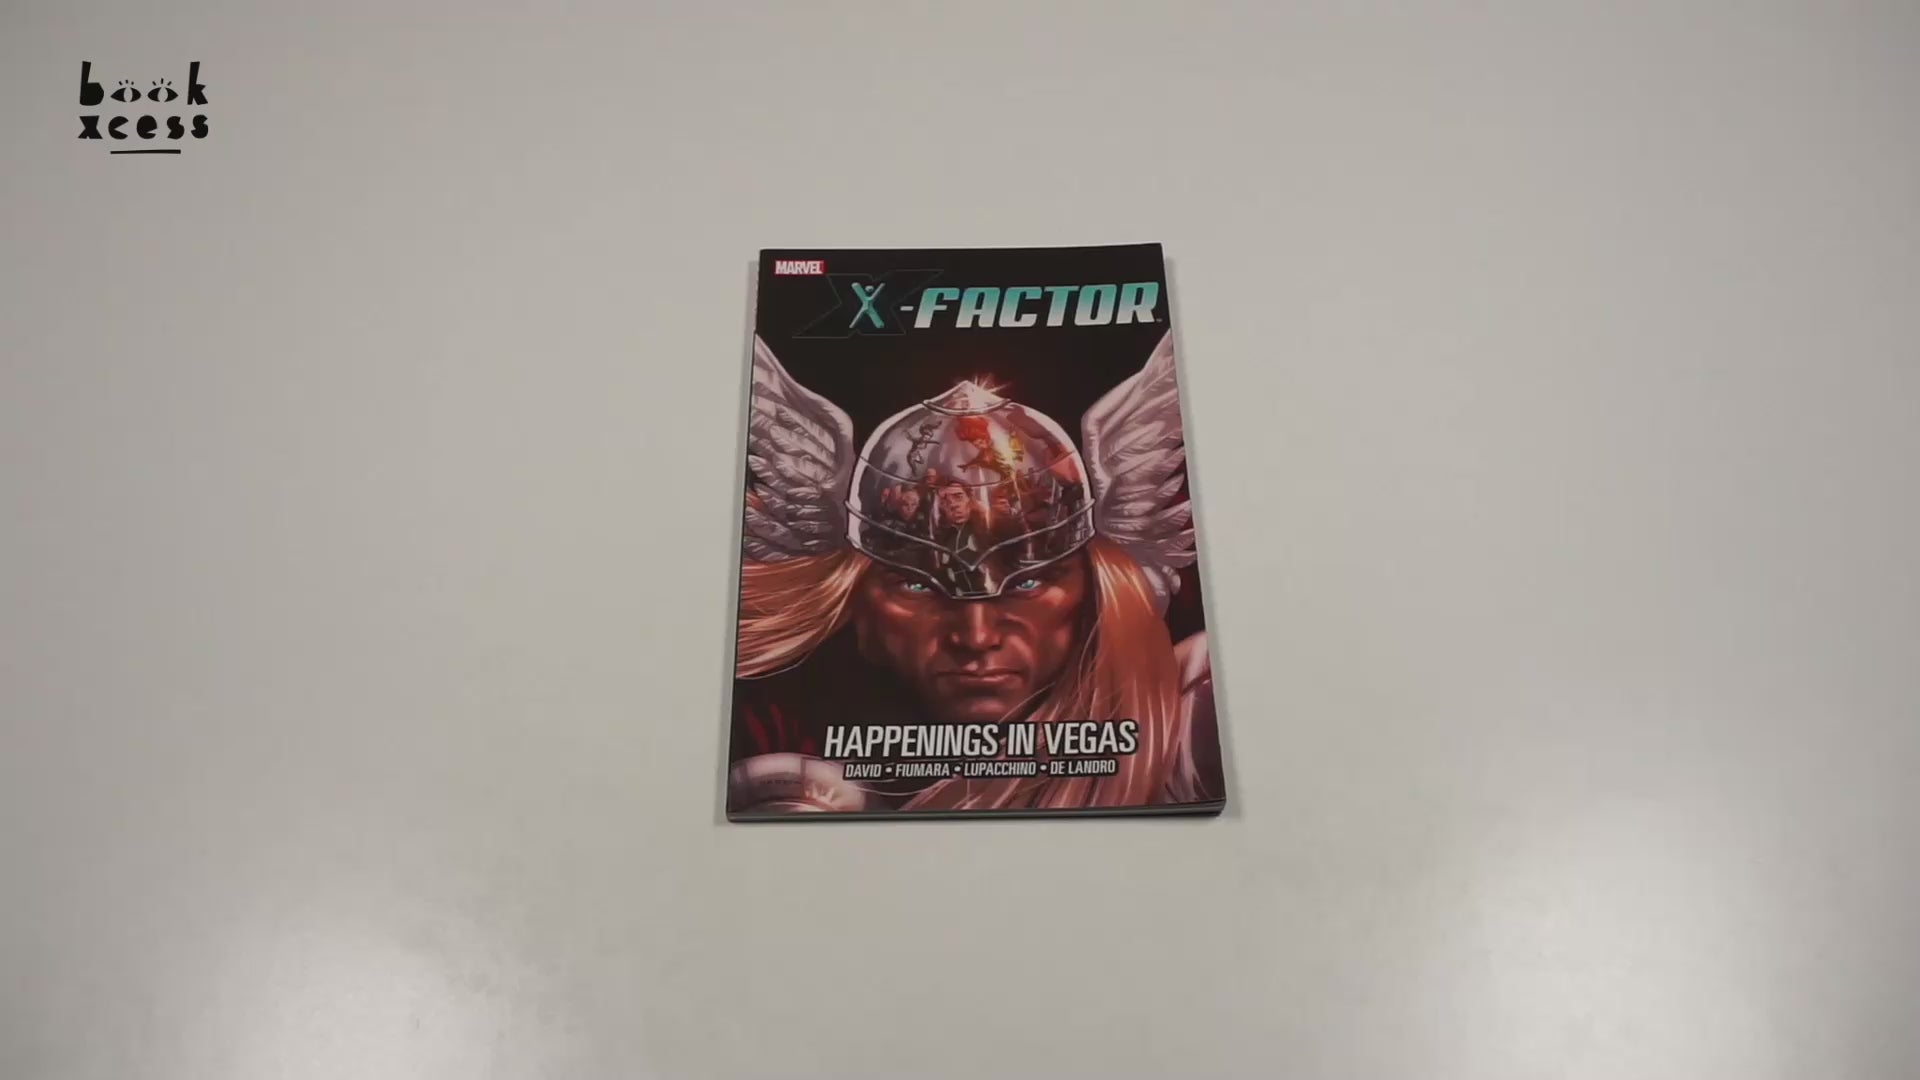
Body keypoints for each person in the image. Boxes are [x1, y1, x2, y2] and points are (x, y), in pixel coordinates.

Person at [731, 333, 1217, 813]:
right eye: (917, 585)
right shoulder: (786, 753)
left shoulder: (1192, 717)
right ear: (858, 601)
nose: (977, 637)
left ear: (1092, 587)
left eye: (1027, 582)